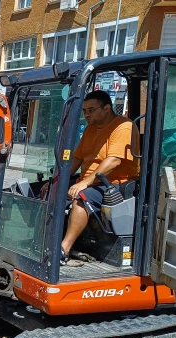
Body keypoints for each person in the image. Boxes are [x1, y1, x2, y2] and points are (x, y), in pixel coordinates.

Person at [60, 90, 140, 263]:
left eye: (91, 110)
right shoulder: (91, 129)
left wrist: (85, 183)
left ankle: (63, 249)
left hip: (115, 183)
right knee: (50, 191)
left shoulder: (123, 126)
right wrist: (58, 180)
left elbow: (113, 161)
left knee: (82, 197)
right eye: (84, 111)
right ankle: (50, 242)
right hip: (92, 181)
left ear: (107, 108)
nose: (87, 114)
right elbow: (77, 158)